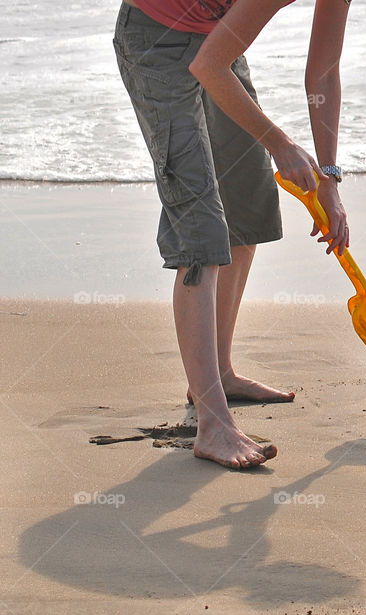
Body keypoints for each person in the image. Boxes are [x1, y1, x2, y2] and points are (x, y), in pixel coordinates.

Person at [113, 0, 352, 468]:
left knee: (246, 204)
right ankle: (213, 424)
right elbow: (207, 67)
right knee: (199, 229)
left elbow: (323, 75)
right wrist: (280, 143)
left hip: (215, 41)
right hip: (156, 41)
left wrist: (329, 179)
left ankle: (218, 373)